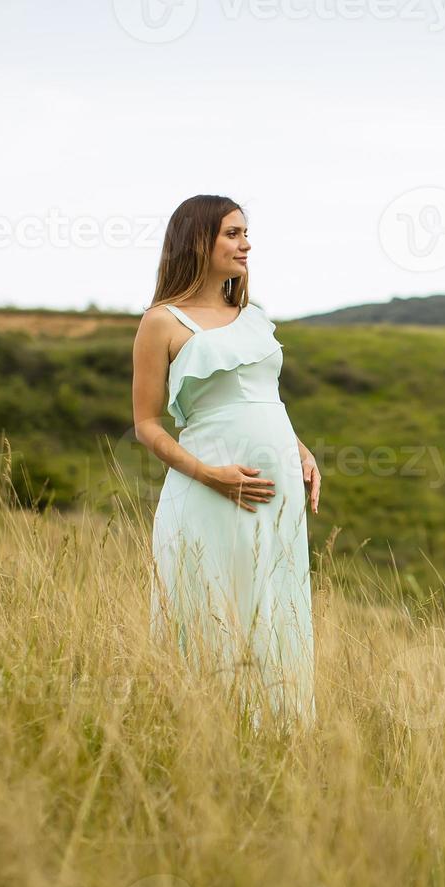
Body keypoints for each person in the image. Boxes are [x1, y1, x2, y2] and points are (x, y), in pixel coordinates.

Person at [131, 194, 321, 726]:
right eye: (233, 234)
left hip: (273, 488)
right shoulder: (161, 322)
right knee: (209, 608)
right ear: (198, 239)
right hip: (207, 490)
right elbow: (146, 425)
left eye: (246, 233)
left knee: (274, 609)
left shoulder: (255, 317)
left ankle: (275, 739)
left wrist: (299, 451)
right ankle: (198, 732)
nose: (246, 244)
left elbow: (265, 399)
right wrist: (211, 475)